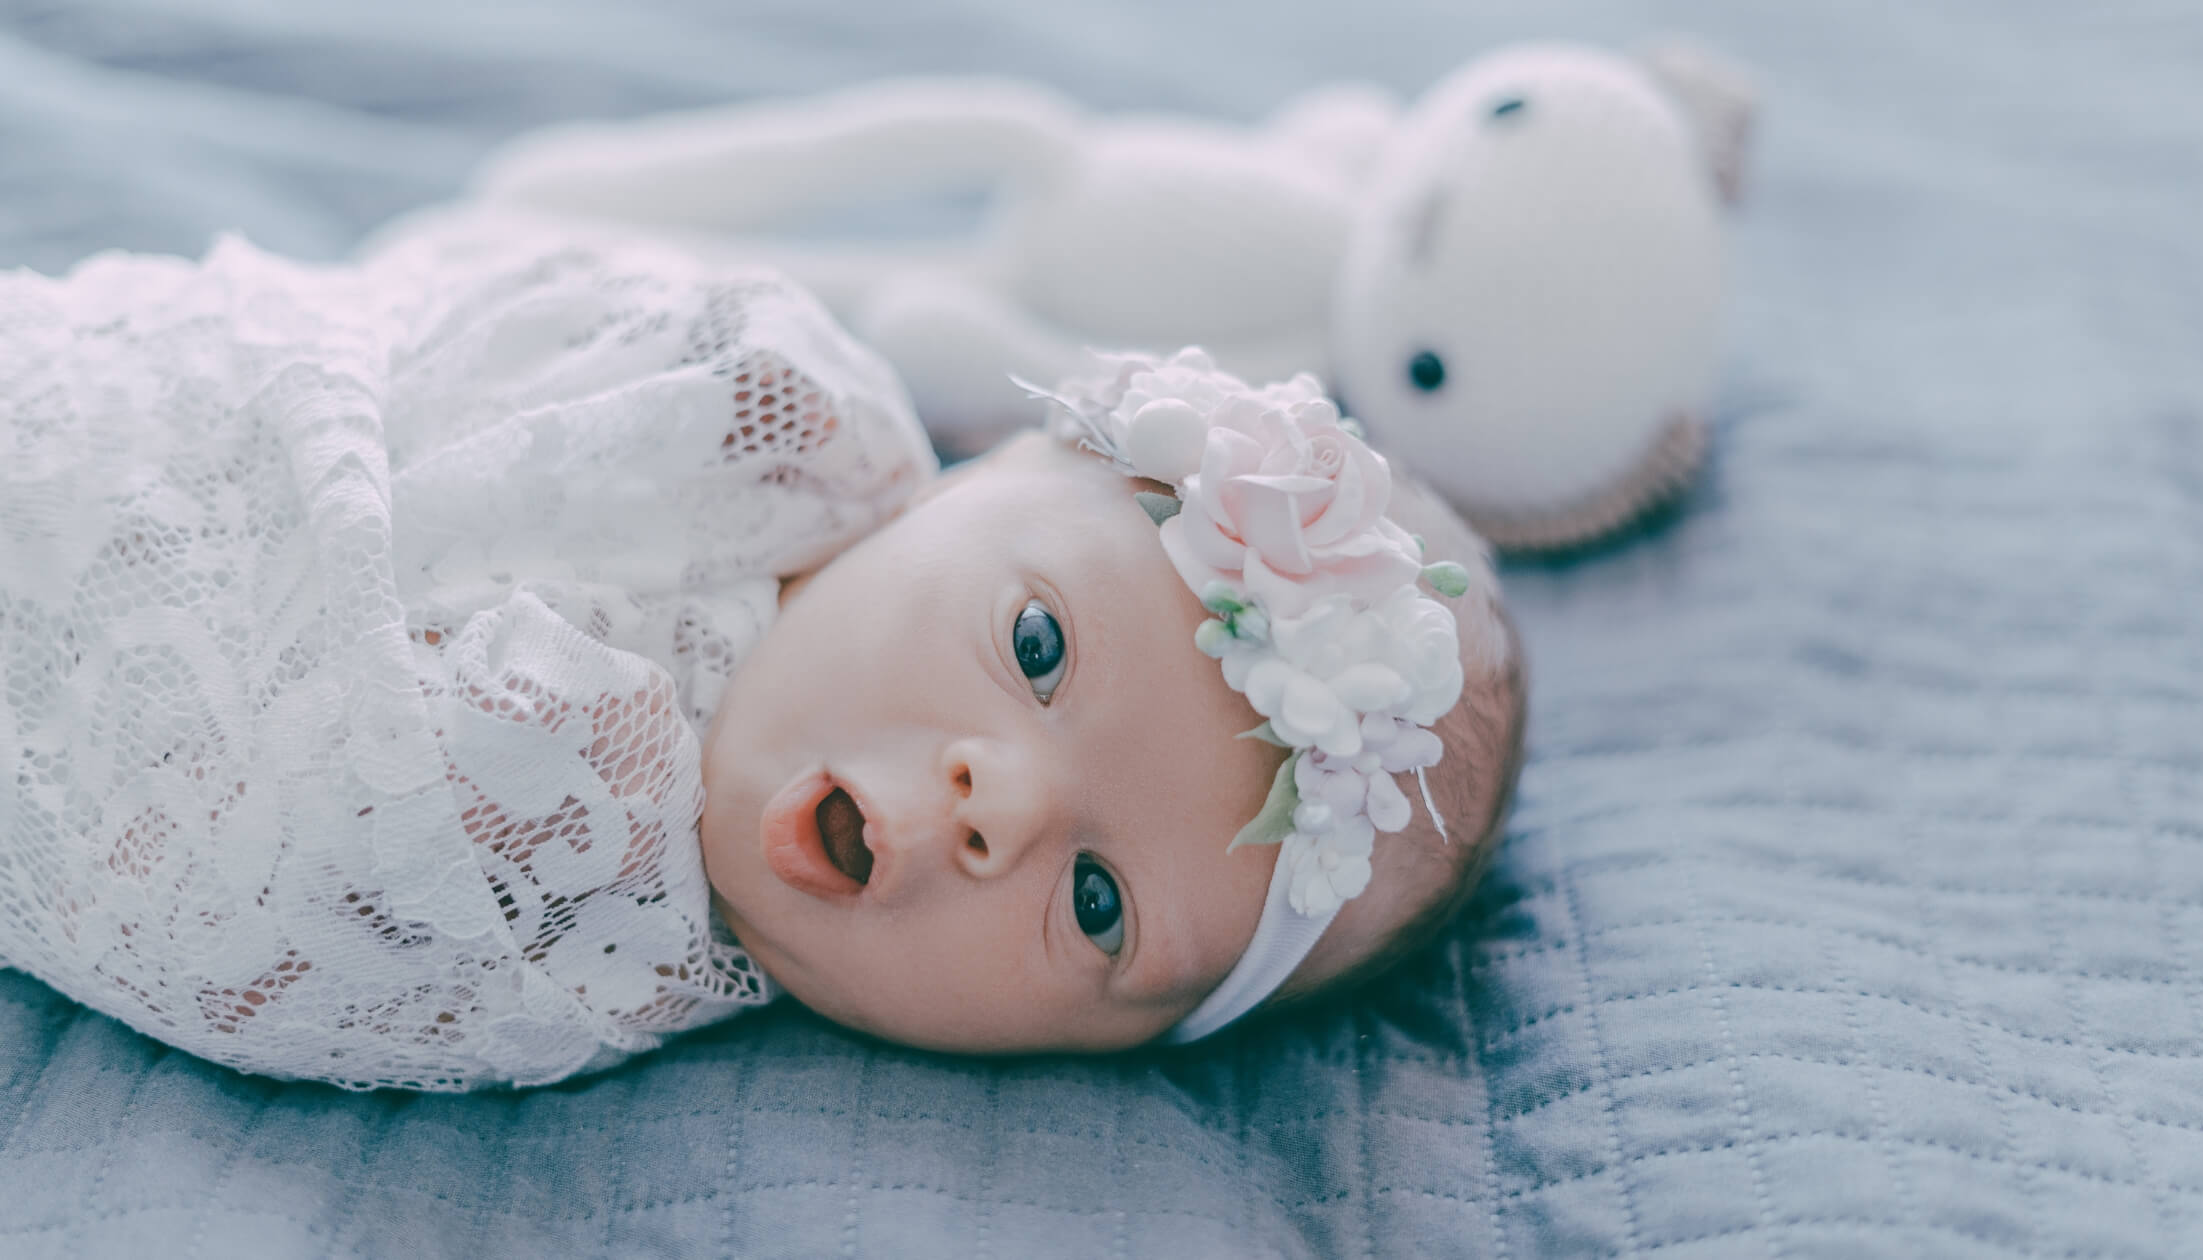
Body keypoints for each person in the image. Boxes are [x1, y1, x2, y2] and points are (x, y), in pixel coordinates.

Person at [0, 219, 1523, 1089]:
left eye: (1099, 904)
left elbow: (233, 923)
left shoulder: (608, 963)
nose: (1000, 805)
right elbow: (460, 301)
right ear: (973, 475)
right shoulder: (766, 397)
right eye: (1039, 643)